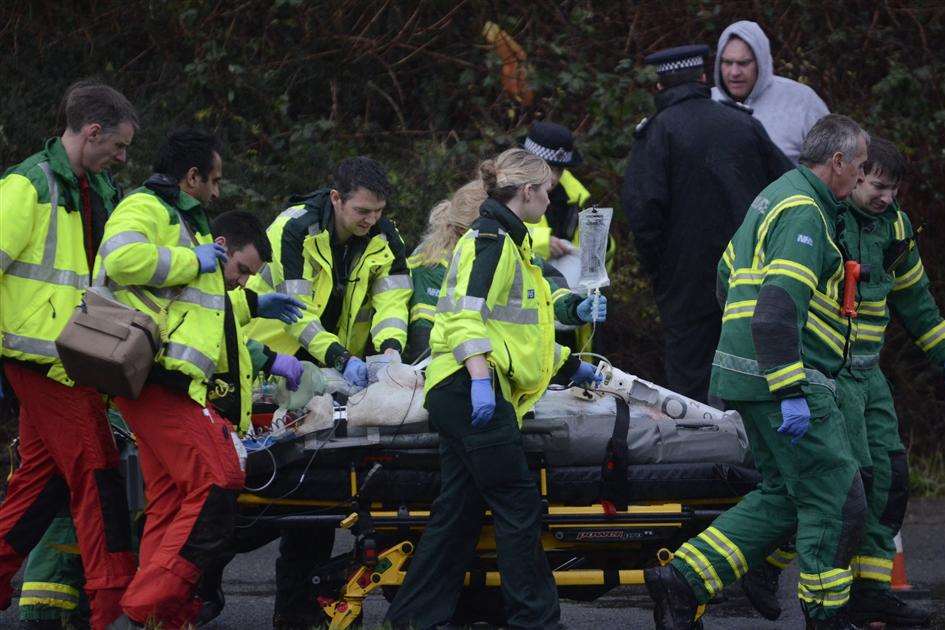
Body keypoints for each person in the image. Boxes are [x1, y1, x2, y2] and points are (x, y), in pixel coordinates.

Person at [644, 114, 870, 630]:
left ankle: (683, 579)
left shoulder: (772, 198)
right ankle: (825, 614)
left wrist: (752, 356)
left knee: (783, 495)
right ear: (835, 162)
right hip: (787, 379)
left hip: (746, 376)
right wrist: (790, 384)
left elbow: (726, 277)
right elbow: (773, 308)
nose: (860, 178)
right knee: (836, 497)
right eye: (858, 168)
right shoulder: (805, 212)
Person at [384, 148, 602, 630]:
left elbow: (518, 334)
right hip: (470, 389)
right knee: (517, 503)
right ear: (527, 192)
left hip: (461, 388)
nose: (551, 199)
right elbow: (464, 317)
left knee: (459, 509)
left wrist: (569, 366)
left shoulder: (506, 242)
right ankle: (537, 621)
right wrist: (482, 382)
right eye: (547, 190)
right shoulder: (493, 241)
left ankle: (413, 619)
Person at [95, 128, 302, 627]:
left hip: (169, 381)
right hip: (157, 376)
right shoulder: (149, 208)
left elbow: (200, 305)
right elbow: (119, 260)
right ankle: (148, 604)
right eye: (212, 180)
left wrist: (252, 302)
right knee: (218, 480)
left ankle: (162, 615)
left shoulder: (186, 221)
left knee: (170, 499)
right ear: (191, 177)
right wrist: (191, 259)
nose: (216, 191)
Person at [740, 138, 937, 627]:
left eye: (893, 190)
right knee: (841, 487)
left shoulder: (895, 227)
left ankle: (871, 589)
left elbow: (918, 303)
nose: (885, 198)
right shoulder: (821, 218)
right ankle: (777, 569)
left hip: (867, 372)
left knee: (889, 480)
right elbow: (754, 289)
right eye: (875, 186)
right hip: (824, 371)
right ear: (851, 175)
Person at [244, 156, 410, 629]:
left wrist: (391, 349)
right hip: (277, 372)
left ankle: (298, 609)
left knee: (318, 493)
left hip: (334, 378)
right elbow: (297, 316)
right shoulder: (293, 231)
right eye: (361, 211)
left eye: (377, 211)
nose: (370, 221)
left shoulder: (385, 235)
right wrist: (340, 357)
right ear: (335, 198)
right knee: (268, 495)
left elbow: (393, 299)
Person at [0, 79, 138, 629]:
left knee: (43, 479)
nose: (123, 158)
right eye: (119, 146)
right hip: (43, 360)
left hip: (68, 358)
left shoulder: (92, 187)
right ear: (93, 131)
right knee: (99, 476)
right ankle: (109, 607)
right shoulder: (28, 186)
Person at [621, 44, 792, 403]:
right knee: (753, 372)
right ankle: (750, 456)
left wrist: (661, 272)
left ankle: (699, 456)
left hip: (685, 284)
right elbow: (790, 191)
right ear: (703, 78)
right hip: (750, 276)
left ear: (658, 87)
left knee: (691, 388)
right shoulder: (743, 124)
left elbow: (643, 211)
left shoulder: (656, 133)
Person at [405, 178, 606, 362]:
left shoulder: (509, 246)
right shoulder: (431, 265)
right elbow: (424, 337)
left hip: (500, 364)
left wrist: (573, 307)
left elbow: (544, 283)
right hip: (453, 370)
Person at [520, 121, 614, 352]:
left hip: (569, 312)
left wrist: (601, 246)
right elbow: (497, 231)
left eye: (559, 169)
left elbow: (601, 260)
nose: (552, 177)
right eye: (546, 168)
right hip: (526, 315)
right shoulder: (507, 190)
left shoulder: (578, 198)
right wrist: (542, 243)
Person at [713, 20, 830, 163]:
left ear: (761, 62)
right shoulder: (707, 103)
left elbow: (833, 165)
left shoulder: (802, 102)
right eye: (727, 62)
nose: (734, 72)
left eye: (743, 63)